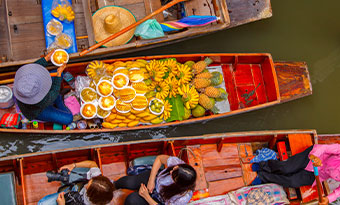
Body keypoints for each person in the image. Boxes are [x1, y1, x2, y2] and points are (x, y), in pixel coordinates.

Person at [251, 144, 340, 205]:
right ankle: (263, 165)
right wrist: (315, 157)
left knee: (292, 182)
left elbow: (337, 193)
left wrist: (328, 199)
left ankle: (263, 176)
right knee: (286, 168)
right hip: (312, 157)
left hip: (318, 175)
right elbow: (324, 148)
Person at [13, 51, 73, 125]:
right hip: (37, 111)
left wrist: (45, 59)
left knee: (55, 72)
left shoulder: (22, 81)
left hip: (37, 94)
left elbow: (32, 67)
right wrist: (58, 75)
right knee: (68, 119)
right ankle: (59, 100)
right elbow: (53, 92)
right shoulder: (41, 100)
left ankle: (57, 98)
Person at [115, 155, 197, 205]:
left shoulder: (183, 197)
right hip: (155, 179)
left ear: (178, 183)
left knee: (131, 199)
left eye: (173, 175)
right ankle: (113, 185)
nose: (171, 171)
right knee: (128, 182)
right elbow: (160, 158)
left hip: (158, 200)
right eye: (174, 169)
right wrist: (151, 180)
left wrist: (146, 196)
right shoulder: (178, 164)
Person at [38, 160, 115, 205]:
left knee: (41, 203)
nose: (85, 186)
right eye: (88, 183)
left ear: (92, 197)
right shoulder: (98, 180)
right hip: (74, 191)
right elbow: (92, 164)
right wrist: (73, 165)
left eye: (87, 188)